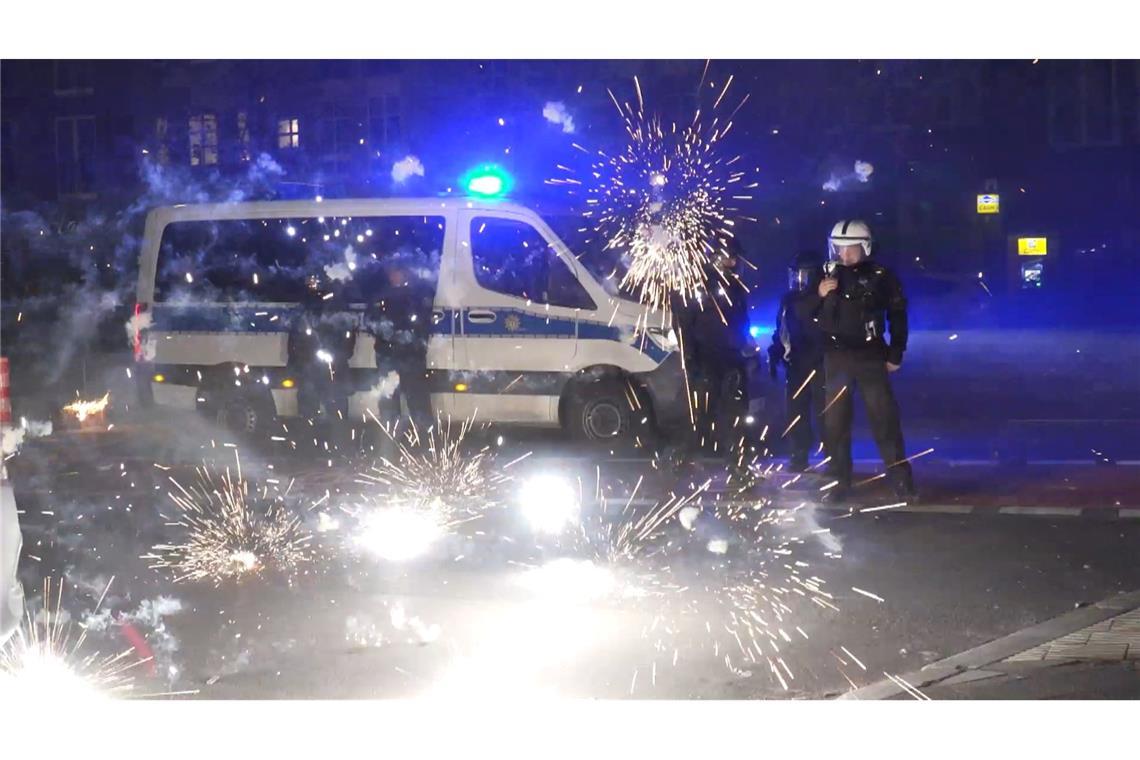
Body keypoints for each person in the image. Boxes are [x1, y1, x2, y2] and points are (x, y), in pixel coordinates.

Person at [802, 220, 918, 502]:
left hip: (870, 356)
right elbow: (803, 312)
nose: (844, 255)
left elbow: (898, 315)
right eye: (838, 248)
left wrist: (896, 353)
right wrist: (818, 294)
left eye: (850, 248)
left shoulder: (881, 276)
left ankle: (901, 481)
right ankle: (839, 480)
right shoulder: (825, 274)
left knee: (884, 421)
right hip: (836, 357)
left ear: (865, 246)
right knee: (835, 424)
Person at [676, 238, 753, 456]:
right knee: (703, 408)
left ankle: (735, 454)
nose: (732, 263)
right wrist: (689, 355)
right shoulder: (700, 285)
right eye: (728, 258)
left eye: (734, 259)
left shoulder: (737, 287)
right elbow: (684, 321)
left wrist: (744, 347)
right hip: (705, 357)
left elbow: (741, 320)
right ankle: (698, 452)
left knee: (735, 408)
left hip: (731, 357)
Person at [769, 250, 828, 472]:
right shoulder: (788, 299)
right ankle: (799, 454)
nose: (797, 280)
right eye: (795, 275)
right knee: (796, 412)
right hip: (796, 363)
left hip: (820, 362)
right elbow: (782, 330)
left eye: (803, 275)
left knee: (826, 413)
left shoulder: (824, 298)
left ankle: (833, 456)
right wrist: (775, 351)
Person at [367, 255, 435, 430]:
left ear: (404, 273)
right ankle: (391, 436)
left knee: (417, 397)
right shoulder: (381, 295)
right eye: (391, 272)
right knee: (389, 398)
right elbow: (369, 321)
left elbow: (423, 323)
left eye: (397, 272)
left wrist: (412, 339)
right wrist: (385, 332)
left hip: (411, 355)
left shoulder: (417, 295)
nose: (394, 275)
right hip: (388, 355)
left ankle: (424, 438)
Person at [287, 274, 356, 426]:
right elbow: (295, 336)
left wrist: (340, 354)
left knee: (334, 408)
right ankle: (314, 440)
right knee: (310, 409)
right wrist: (297, 359)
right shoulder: (305, 305)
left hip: (331, 366)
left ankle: (334, 441)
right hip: (310, 366)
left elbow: (348, 334)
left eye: (314, 281)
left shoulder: (336, 305)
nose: (311, 284)